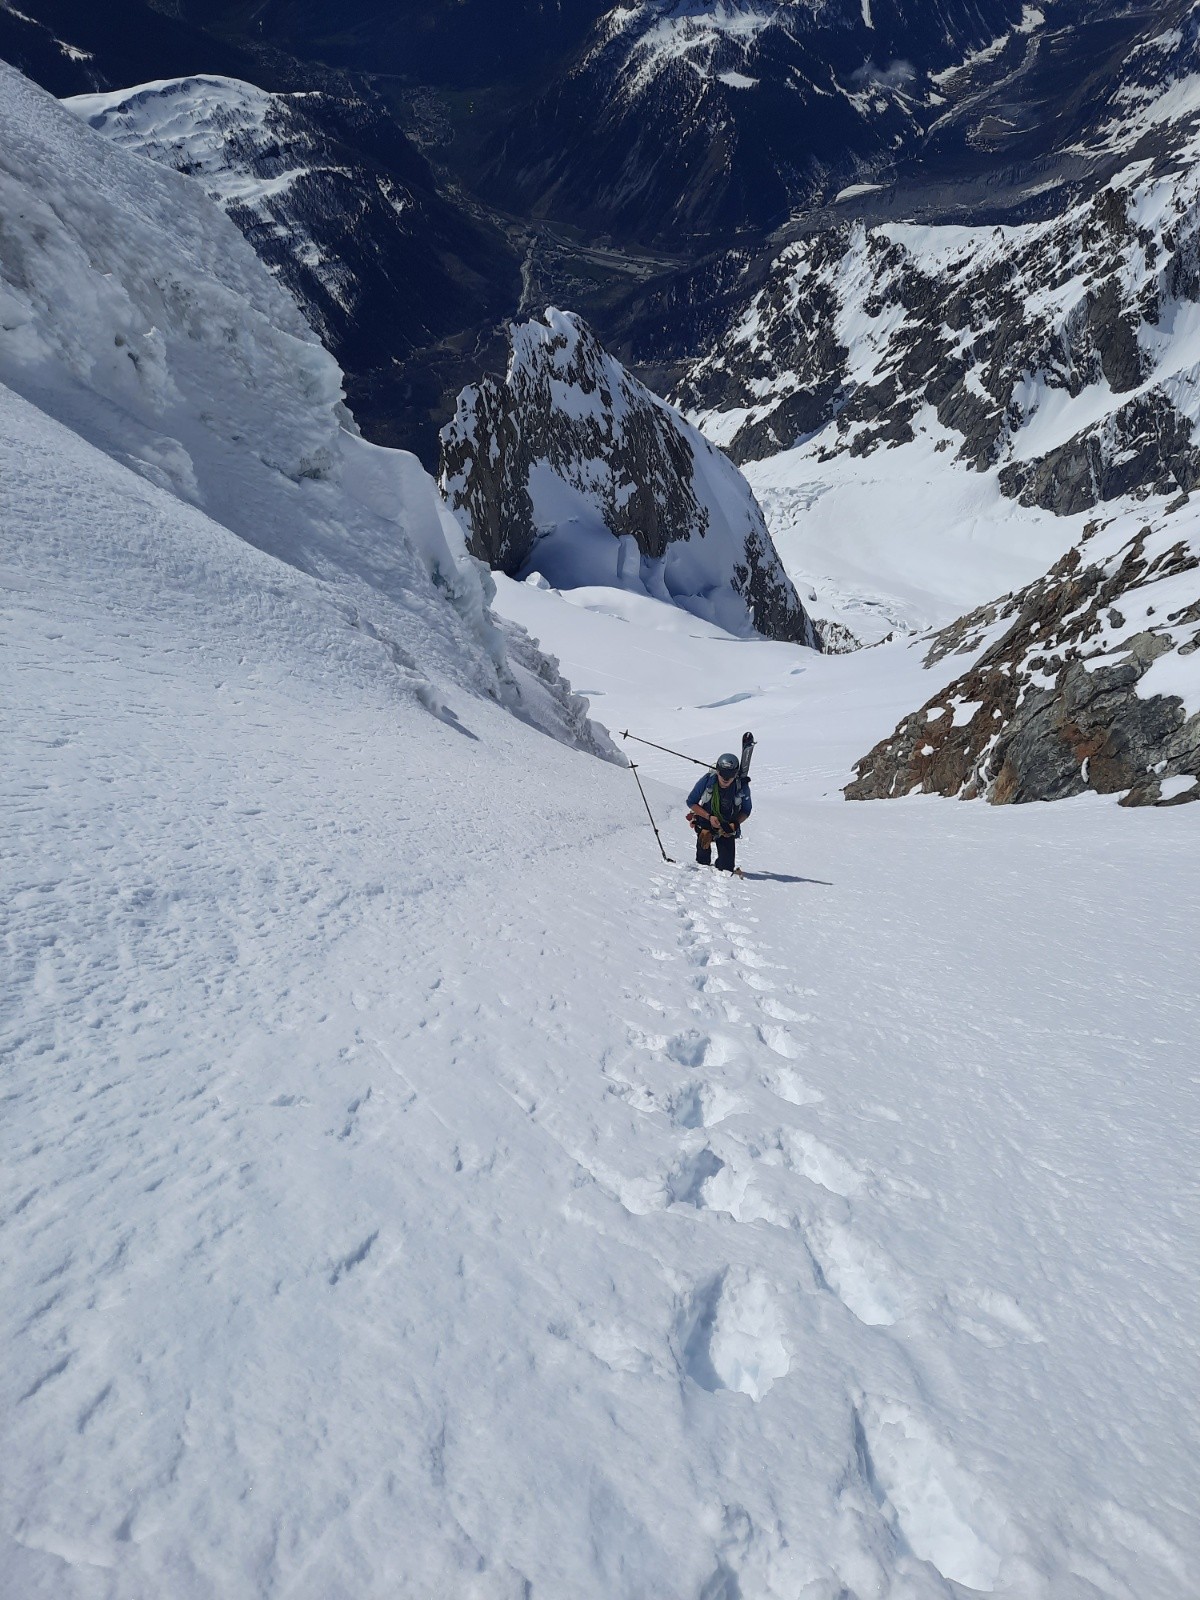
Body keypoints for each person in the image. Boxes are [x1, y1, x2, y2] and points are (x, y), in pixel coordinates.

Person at [687, 753, 751, 872]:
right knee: (702, 862)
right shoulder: (707, 781)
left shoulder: (741, 787)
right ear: (717, 771)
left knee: (726, 868)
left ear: (736, 774)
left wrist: (735, 824)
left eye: (730, 775)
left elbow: (746, 810)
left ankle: (720, 864)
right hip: (705, 821)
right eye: (723, 773)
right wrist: (708, 816)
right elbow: (691, 802)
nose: (726, 778)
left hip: (727, 826)